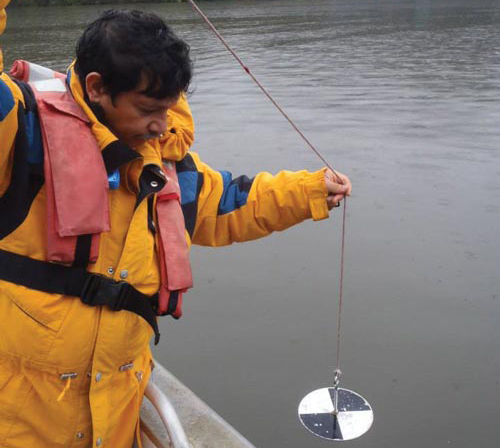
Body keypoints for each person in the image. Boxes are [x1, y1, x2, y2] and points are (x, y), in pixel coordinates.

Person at [0, 5, 351, 448]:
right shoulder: (20, 136)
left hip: (114, 415)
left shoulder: (165, 168)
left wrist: (313, 191)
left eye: (169, 109)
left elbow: (230, 202)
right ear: (97, 88)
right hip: (18, 423)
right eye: (148, 109)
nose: (161, 125)